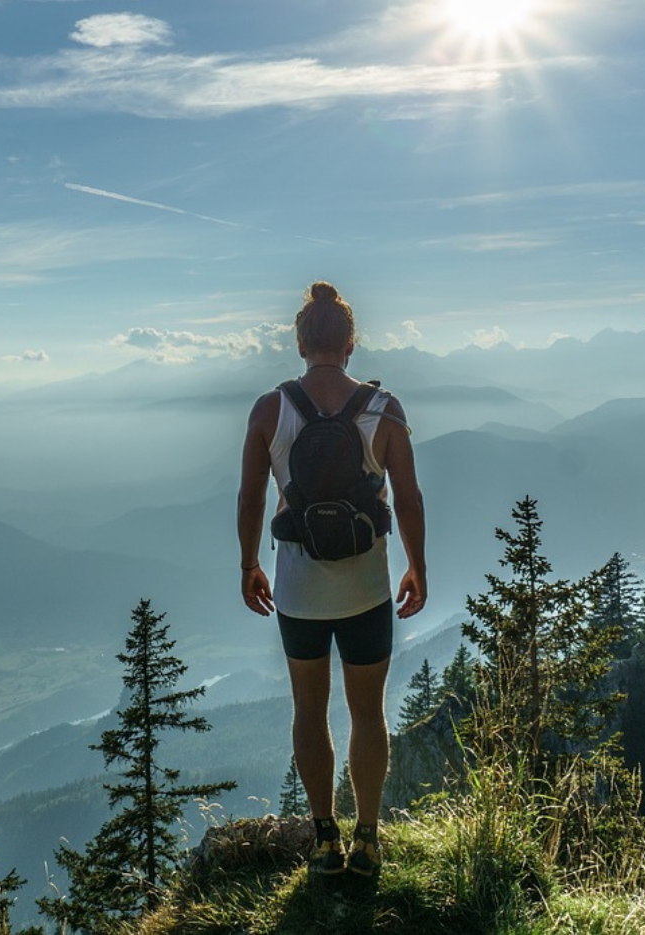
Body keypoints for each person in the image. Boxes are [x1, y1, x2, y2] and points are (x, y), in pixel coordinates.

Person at [237, 281, 427, 877]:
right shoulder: (384, 409)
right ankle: (368, 839)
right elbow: (409, 496)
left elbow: (250, 495)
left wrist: (249, 564)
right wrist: (417, 565)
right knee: (368, 714)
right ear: (351, 342)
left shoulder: (272, 409)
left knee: (309, 711)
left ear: (300, 342)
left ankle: (324, 840)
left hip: (299, 592)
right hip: (367, 588)